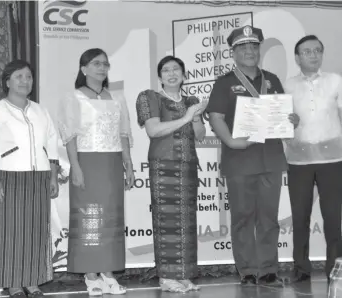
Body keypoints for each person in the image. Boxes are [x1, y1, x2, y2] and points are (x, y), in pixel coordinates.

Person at [206, 25, 299, 286]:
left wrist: (292, 119)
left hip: (270, 158)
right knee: (243, 217)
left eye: (254, 46)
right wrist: (231, 142)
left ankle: (268, 268)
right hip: (240, 161)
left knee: (268, 218)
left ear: (259, 50)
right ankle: (246, 269)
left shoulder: (272, 80)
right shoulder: (225, 83)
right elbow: (216, 117)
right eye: (243, 47)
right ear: (233, 52)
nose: (249, 51)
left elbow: (283, 116)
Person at [0, 60, 59, 298]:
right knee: (10, 232)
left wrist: (53, 176)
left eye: (29, 77)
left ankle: (33, 281)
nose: (25, 81)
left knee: (35, 231)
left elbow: (51, 144)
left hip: (39, 178)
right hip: (9, 176)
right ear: (7, 82)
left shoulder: (40, 111)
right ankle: (13, 282)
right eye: (19, 77)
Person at [58, 48, 135, 296]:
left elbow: (123, 134)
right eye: (95, 64)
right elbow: (69, 137)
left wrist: (129, 164)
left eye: (105, 64)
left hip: (112, 164)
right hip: (87, 162)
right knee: (89, 217)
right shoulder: (73, 98)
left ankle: (108, 273)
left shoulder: (117, 98)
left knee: (111, 216)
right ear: (84, 69)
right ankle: (91, 275)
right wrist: (75, 167)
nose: (102, 68)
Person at [135, 56, 207, 293]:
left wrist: (195, 116)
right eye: (166, 70)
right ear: (160, 77)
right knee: (167, 222)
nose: (171, 73)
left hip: (187, 166)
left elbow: (199, 134)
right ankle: (166, 277)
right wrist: (185, 117)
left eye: (176, 69)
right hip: (163, 165)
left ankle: (184, 275)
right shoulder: (150, 97)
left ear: (184, 75)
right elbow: (154, 131)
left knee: (186, 223)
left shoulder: (191, 100)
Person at [284, 35, 342, 283]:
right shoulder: (288, 85)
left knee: (332, 215)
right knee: (299, 216)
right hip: (298, 160)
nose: (313, 55)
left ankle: (335, 268)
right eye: (307, 51)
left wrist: (331, 138)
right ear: (297, 57)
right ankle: (301, 269)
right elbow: (284, 120)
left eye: (317, 51)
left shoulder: (336, 82)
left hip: (331, 159)